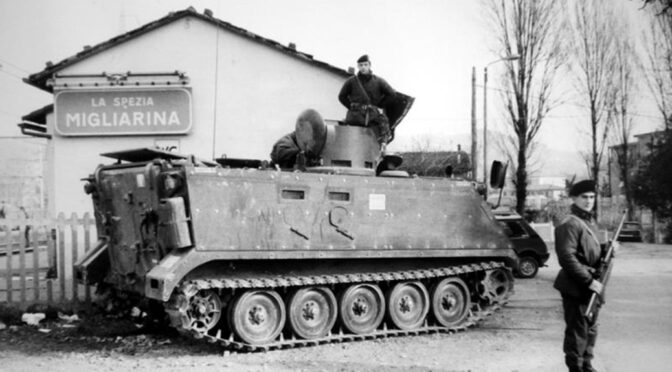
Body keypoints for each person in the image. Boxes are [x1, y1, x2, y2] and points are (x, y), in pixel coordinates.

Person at [553, 180, 617, 372]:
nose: (589, 201)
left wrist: (608, 248)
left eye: (592, 197)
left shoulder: (588, 221)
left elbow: (589, 251)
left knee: (590, 329)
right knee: (577, 333)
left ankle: (587, 366)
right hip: (578, 286)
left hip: (590, 286)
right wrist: (589, 281)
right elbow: (567, 258)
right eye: (584, 197)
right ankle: (577, 369)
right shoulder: (569, 223)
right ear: (574, 198)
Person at [338, 54, 396, 145]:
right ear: (358, 66)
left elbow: (392, 94)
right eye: (361, 65)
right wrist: (351, 106)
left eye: (365, 65)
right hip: (355, 117)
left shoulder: (378, 81)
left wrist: (379, 105)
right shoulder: (351, 81)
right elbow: (341, 96)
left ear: (369, 65)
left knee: (380, 131)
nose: (363, 67)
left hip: (372, 116)